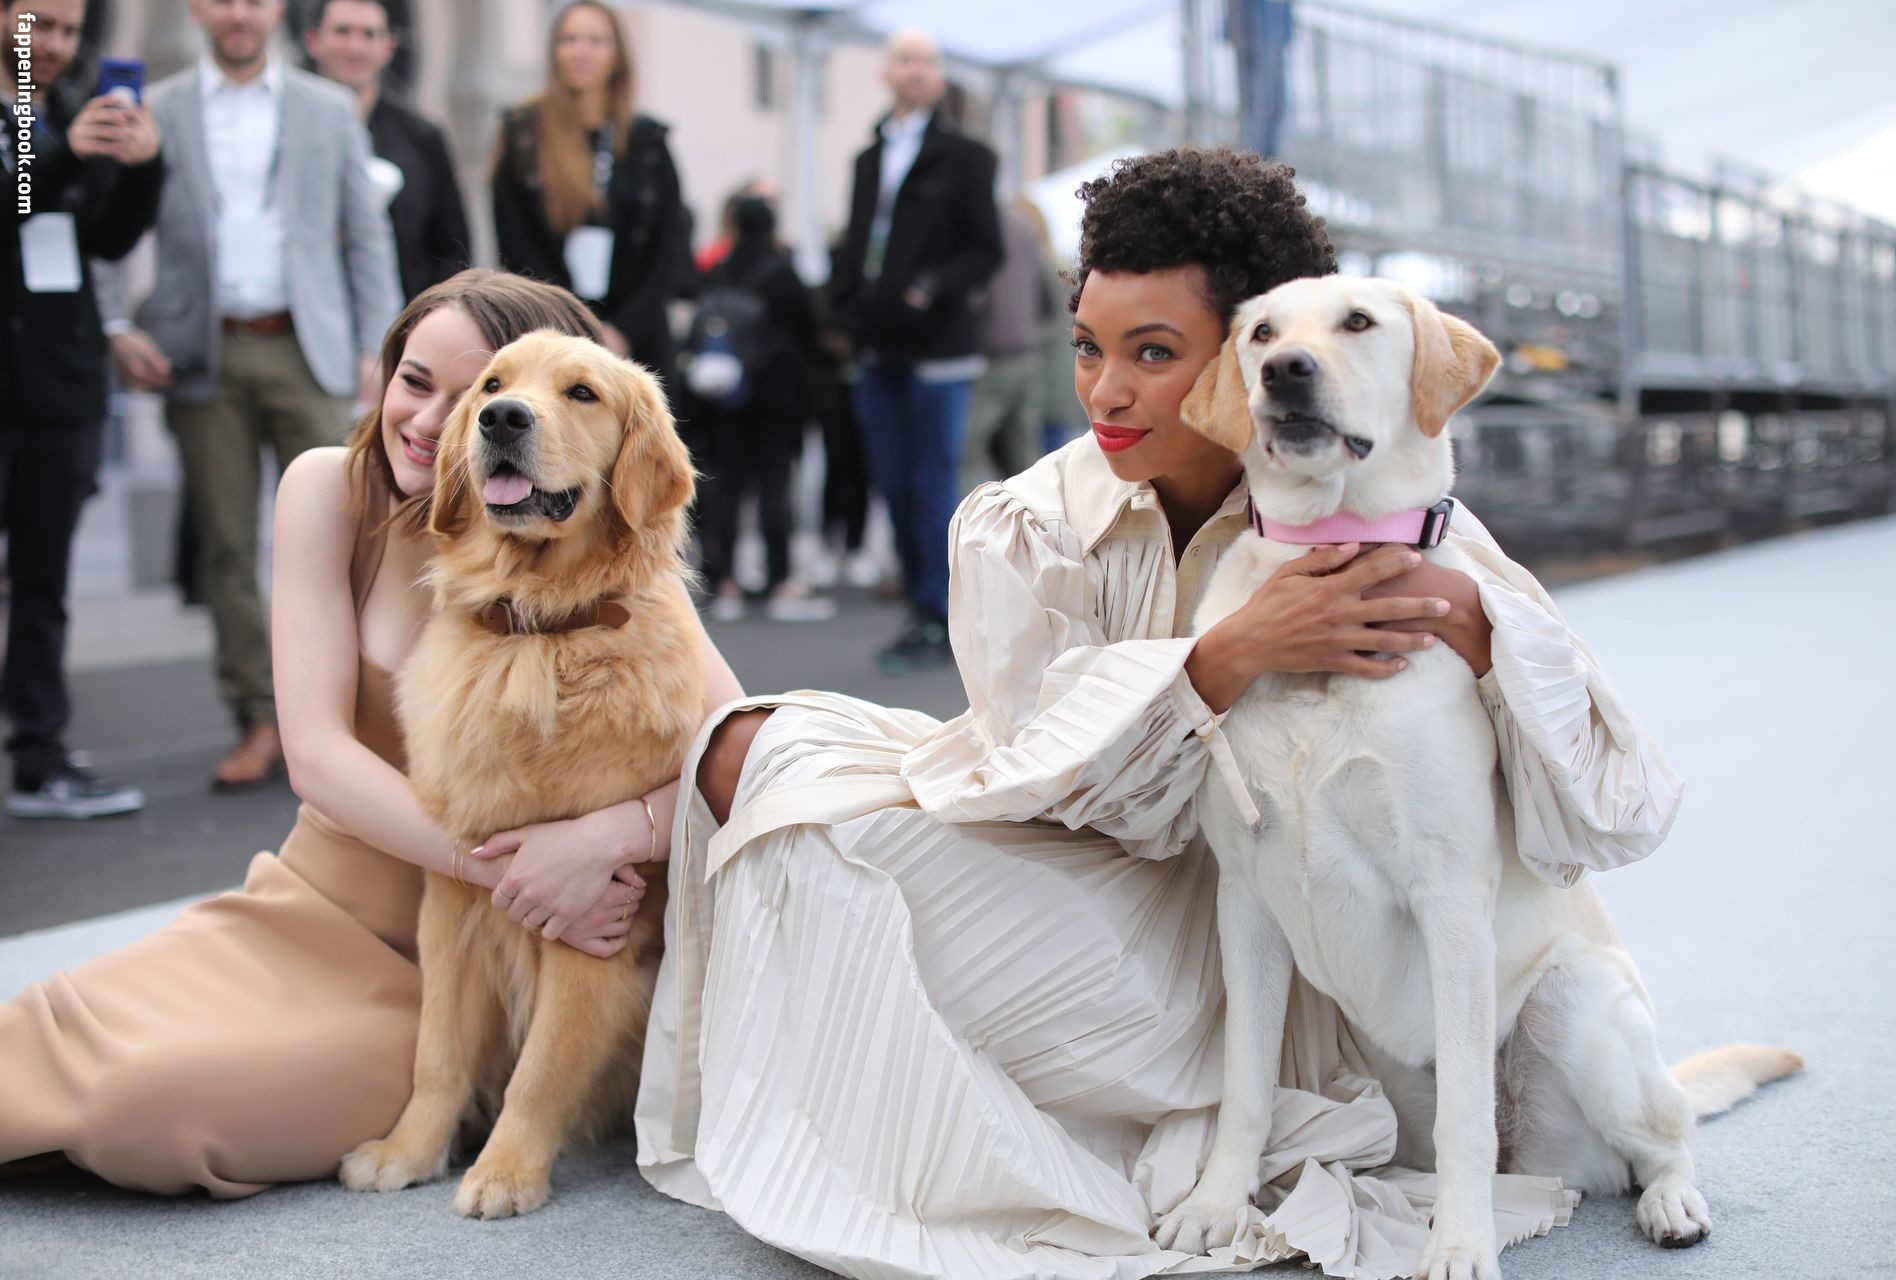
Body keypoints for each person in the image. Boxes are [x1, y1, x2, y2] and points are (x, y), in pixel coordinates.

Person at [635, 148, 1682, 1279]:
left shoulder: (1380, 507)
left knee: (815, 824)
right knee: (771, 761)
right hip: (1097, 869)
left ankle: (1105, 1092)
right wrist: (1227, 656)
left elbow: (1619, 804)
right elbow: (1034, 776)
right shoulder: (1026, 522)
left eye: (1153, 353)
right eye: (1088, 346)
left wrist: (1480, 629)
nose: (1105, 392)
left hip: (1333, 945)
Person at [0, 269, 744, 1195]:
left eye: (467, 391)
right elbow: (315, 757)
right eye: (416, 381)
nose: (440, 420)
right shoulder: (329, 488)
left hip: (441, 977)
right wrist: (509, 871)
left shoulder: (603, 554)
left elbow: (740, 745)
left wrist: (609, 838)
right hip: (311, 904)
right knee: (46, 1036)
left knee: (141, 1105)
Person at [101, 0, 404, 791]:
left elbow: (366, 236)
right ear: (197, 8)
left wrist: (383, 350)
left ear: (277, 11)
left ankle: (358, 713)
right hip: (201, 353)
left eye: (256, 0)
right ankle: (260, 718)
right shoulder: (157, 107)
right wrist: (113, 323)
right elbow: (107, 218)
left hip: (308, 350)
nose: (239, 13)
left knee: (347, 535)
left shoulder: (327, 108)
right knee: (227, 546)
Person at [1, 0, 161, 818]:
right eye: (41, 25)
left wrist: (144, 167)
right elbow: (17, 195)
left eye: (69, 30)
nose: (57, 45)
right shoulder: (49, 129)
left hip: (58, 382)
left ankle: (41, 756)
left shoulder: (68, 110)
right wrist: (65, 152)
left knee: (43, 583)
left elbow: (106, 238)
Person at [828, 29, 1001, 673]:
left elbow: (985, 250)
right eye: (905, 60)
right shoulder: (868, 158)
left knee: (932, 484)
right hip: (879, 347)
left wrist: (929, 289)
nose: (916, 70)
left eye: (927, 61)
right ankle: (922, 610)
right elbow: (857, 241)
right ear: (887, 72)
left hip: (939, 351)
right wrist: (845, 308)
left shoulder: (967, 157)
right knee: (895, 484)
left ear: (939, 74)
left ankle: (940, 613)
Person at [491, 0, 691, 390]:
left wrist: (621, 330)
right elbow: (515, 245)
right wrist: (575, 329)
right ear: (554, 51)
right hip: (549, 337)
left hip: (639, 341)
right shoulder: (524, 135)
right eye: (570, 39)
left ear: (617, 55)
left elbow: (667, 249)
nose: (581, 51)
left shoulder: (648, 143)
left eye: (596, 40)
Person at [688, 195, 834, 623]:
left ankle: (724, 581)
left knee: (726, 487)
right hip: (776, 398)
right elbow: (810, 333)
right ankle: (779, 579)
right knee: (775, 487)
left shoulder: (719, 269)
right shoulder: (782, 274)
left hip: (724, 395)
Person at [304, 0, 472, 301]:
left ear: (388, 48)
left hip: (408, 312)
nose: (355, 47)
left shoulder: (422, 137)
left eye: (369, 34)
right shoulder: (287, 131)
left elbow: (452, 247)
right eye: (342, 31)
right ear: (313, 40)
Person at [961, 195, 1056, 488]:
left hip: (989, 360)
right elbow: (1048, 300)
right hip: (1026, 358)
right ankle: (1033, 519)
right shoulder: (1023, 228)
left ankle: (968, 519)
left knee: (965, 458)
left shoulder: (977, 227)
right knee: (1024, 464)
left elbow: (974, 300)